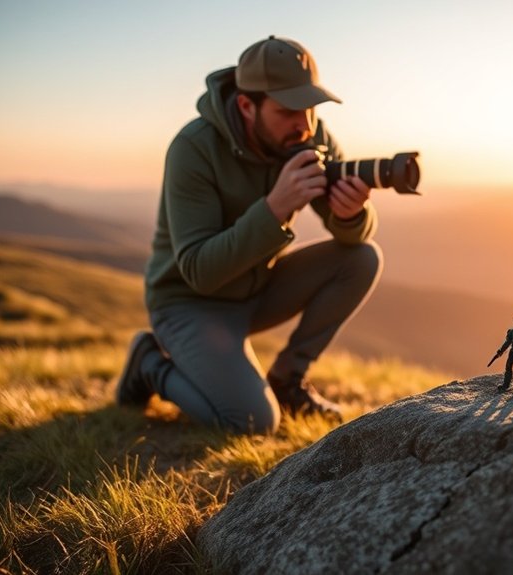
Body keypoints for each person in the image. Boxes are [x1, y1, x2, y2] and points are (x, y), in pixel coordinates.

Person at [114, 36, 382, 434]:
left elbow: (352, 235)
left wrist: (352, 215)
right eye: (288, 110)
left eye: (310, 107)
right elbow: (199, 272)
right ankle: (151, 365)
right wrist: (274, 209)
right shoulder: (193, 149)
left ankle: (288, 380)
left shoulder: (310, 136)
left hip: (255, 290)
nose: (304, 124)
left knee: (362, 258)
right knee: (253, 421)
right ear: (246, 106)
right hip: (189, 304)